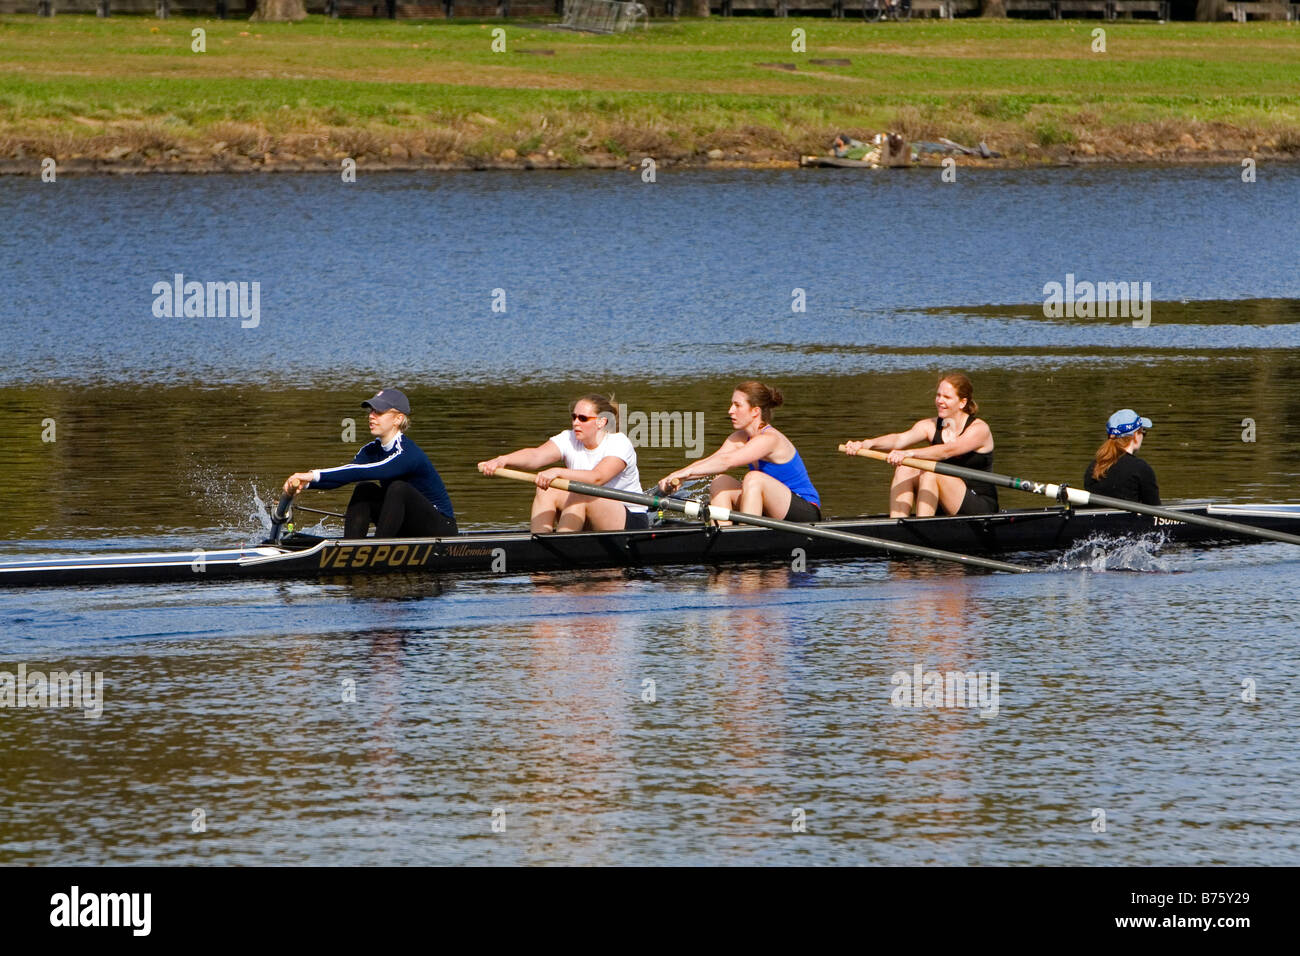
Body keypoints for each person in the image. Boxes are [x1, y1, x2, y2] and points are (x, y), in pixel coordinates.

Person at [282, 388, 457, 538]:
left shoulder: (407, 453)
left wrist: (312, 475)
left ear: (398, 419)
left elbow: (365, 471)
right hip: (407, 522)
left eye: (379, 412)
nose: (371, 417)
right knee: (364, 489)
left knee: (398, 489)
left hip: (441, 529)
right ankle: (352, 550)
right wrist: (305, 484)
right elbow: (347, 474)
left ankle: (378, 550)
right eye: (371, 411)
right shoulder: (370, 450)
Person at [477, 394, 648, 533]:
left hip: (630, 519)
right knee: (547, 488)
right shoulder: (568, 438)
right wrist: (504, 460)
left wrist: (558, 471)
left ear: (601, 422)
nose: (575, 423)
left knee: (581, 490)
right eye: (574, 417)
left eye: (583, 418)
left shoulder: (619, 442)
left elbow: (597, 478)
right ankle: (539, 542)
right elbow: (536, 456)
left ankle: (562, 545)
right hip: (588, 509)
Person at [658, 381, 821, 522]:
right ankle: (724, 535)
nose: (730, 411)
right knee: (720, 481)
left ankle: (745, 535)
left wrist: (685, 474)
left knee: (754, 479)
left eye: (737, 405)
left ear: (755, 411)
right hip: (771, 507)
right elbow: (714, 461)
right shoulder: (740, 437)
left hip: (804, 511)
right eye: (731, 405)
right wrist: (677, 475)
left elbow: (727, 462)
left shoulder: (769, 439)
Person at [842, 372, 997, 518]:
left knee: (931, 471)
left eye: (947, 397)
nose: (939, 401)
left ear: (962, 402)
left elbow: (947, 450)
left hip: (979, 505)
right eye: (938, 395)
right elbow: (898, 439)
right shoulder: (929, 425)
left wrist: (909, 454)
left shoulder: (979, 429)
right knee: (905, 467)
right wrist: (866, 443)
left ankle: (923, 526)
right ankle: (896, 525)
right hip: (943, 501)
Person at [1084, 409, 1160, 504]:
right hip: (1128, 519)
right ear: (1135, 435)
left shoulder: (1094, 467)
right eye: (1143, 431)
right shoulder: (1141, 468)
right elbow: (1155, 510)